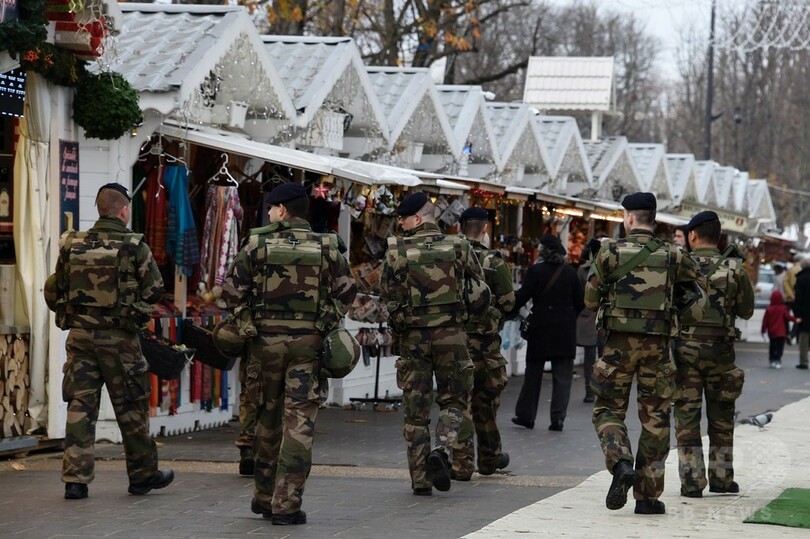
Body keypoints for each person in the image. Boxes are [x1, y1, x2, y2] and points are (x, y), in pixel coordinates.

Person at [221, 182, 357, 525]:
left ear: (282, 210)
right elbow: (347, 291)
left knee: (266, 421)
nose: (268, 213)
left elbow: (231, 292)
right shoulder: (327, 247)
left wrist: (248, 323)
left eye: (271, 208)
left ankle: (264, 498)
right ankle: (287, 504)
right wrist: (324, 321)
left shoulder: (256, 244)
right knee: (299, 425)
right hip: (308, 347)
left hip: (264, 347)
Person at [44, 183, 174, 500]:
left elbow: (54, 289)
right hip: (120, 341)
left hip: (80, 338)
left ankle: (75, 481)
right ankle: (142, 476)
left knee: (80, 407)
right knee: (131, 407)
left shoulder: (72, 244)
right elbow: (154, 289)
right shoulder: (134, 245)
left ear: (100, 209)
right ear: (124, 210)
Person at [584, 192, 706, 516]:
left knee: (607, 409)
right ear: (654, 218)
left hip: (617, 348)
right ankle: (648, 497)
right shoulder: (674, 254)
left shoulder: (609, 252)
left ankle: (621, 462)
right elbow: (698, 292)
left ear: (629, 217)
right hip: (658, 348)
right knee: (656, 419)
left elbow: (590, 300)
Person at [381, 191, 489, 496]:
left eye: (404, 219)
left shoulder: (396, 250)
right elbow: (479, 287)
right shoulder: (459, 246)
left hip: (413, 338)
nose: (401, 225)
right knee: (454, 401)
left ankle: (420, 480)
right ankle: (442, 449)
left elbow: (387, 292)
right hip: (452, 335)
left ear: (417, 219)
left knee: (415, 412)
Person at [672, 210, 755, 499]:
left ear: (693, 235)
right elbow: (747, 310)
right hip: (722, 354)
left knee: (686, 418)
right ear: (719, 237)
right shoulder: (734, 268)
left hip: (685, 353)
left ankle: (692, 482)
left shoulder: (680, 266)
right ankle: (722, 479)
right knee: (722, 417)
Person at [451, 207, 515, 480]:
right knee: (485, 404)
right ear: (485, 228)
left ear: (460, 227)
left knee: (459, 403)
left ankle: (460, 463)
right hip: (485, 345)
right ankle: (489, 458)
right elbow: (509, 302)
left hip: (454, 342)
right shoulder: (494, 262)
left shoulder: (448, 258)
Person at [511, 234, 583, 432]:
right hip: (564, 330)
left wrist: (507, 309)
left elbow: (523, 296)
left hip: (540, 328)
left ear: (543, 252)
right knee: (563, 378)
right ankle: (558, 418)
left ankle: (526, 416)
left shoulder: (535, 271)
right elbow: (581, 301)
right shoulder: (570, 273)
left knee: (533, 375)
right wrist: (568, 316)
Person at [761, 290, 796, 369]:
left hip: (772, 332)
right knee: (780, 347)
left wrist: (763, 329)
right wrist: (795, 319)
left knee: (772, 346)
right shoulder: (783, 308)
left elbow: (765, 321)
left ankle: (772, 359)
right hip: (781, 332)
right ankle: (778, 359)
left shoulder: (769, 309)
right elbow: (787, 317)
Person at [791, 258, 810, 369]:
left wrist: (797, 314)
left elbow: (798, 299)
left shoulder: (801, 278)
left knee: (803, 338)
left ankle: (804, 362)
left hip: (804, 314)